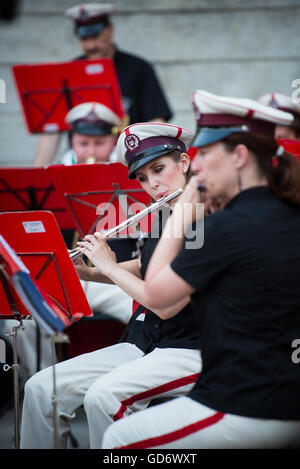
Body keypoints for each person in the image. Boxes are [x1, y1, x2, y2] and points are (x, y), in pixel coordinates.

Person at [101, 90, 300, 449]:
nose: (198, 167)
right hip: (280, 389)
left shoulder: (224, 226)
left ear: (239, 156)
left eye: (205, 155)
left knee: (118, 440)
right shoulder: (286, 211)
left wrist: (181, 215)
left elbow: (159, 294)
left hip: (248, 401)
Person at [20, 122, 202, 449]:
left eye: (159, 169)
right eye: (143, 178)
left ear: (185, 164)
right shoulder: (165, 215)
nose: (153, 185)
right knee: (40, 389)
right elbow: (146, 267)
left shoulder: (202, 219)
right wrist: (88, 271)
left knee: (103, 398)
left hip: (192, 346)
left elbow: (167, 304)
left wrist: (108, 266)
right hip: (147, 340)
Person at [33, 3, 172, 167]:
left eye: (95, 36)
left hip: (129, 164)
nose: (90, 46)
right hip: (77, 164)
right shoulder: (69, 72)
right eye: (84, 39)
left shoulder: (139, 69)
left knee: (121, 195)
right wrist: (37, 175)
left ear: (110, 31)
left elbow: (156, 123)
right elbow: (51, 132)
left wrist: (149, 166)